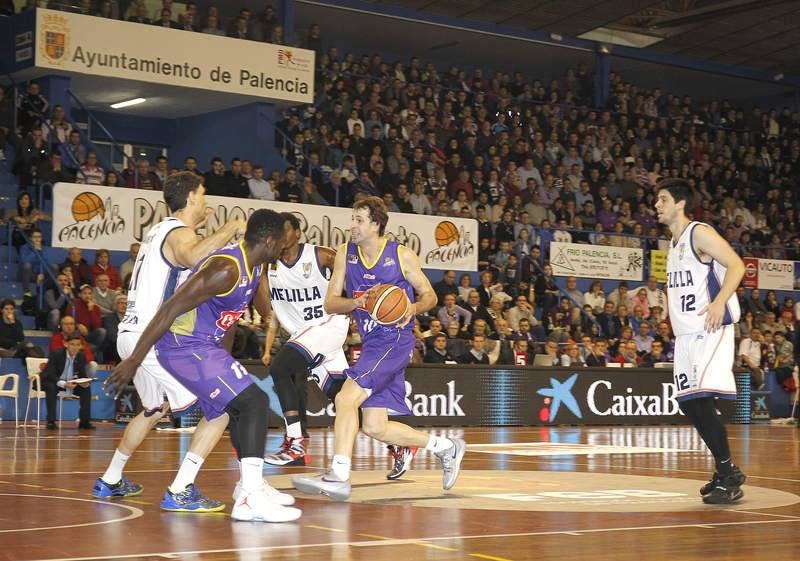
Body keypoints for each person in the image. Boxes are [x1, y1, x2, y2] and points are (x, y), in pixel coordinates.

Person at [105, 209, 300, 523]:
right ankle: (249, 497)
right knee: (255, 402)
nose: (284, 250)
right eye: (282, 243)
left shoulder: (254, 268)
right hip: (183, 346)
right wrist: (134, 360)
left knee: (231, 407)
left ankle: (242, 486)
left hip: (204, 347)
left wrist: (226, 365)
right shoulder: (225, 267)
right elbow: (169, 309)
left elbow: (229, 320)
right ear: (268, 240)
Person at [92, 172, 247, 514]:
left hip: (131, 335)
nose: (206, 202)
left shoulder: (159, 231)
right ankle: (181, 488)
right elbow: (192, 256)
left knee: (153, 409)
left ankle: (111, 479)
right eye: (203, 194)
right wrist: (230, 227)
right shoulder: (179, 232)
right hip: (153, 339)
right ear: (191, 197)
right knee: (221, 404)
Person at [292, 196, 466, 501]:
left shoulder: (401, 256)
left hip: (396, 340)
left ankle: (339, 474)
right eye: (353, 218)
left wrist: (409, 308)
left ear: (376, 224)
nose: (353, 225)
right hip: (372, 343)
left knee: (347, 398)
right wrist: (359, 302)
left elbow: (430, 297)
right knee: (375, 426)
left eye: (359, 220)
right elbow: (331, 302)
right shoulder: (346, 254)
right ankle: (446, 448)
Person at [262, 213, 416, 479]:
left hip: (328, 326)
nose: (279, 236)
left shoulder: (321, 255)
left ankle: (295, 443)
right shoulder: (270, 265)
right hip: (307, 335)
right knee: (342, 398)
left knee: (281, 368)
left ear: (297, 233)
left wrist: (354, 303)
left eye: (285, 231)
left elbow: (350, 272)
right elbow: (267, 306)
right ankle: (399, 445)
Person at [656, 178, 746, 504]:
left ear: (680, 203)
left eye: (662, 199)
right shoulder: (672, 243)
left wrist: (720, 300)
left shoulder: (699, 233)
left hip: (710, 327)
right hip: (686, 336)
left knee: (701, 401)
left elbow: (736, 264)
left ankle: (728, 475)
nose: (657, 205)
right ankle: (726, 470)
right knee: (688, 402)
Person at [42, 334, 94, 430]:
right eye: (72, 344)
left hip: (71, 383)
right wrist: (64, 383)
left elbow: (82, 375)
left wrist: (84, 382)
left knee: (86, 388)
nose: (75, 347)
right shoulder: (56, 354)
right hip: (54, 381)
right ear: (66, 344)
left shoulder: (81, 356)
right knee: (50, 387)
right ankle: (51, 422)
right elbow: (49, 374)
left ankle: (84, 422)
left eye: (78, 345)